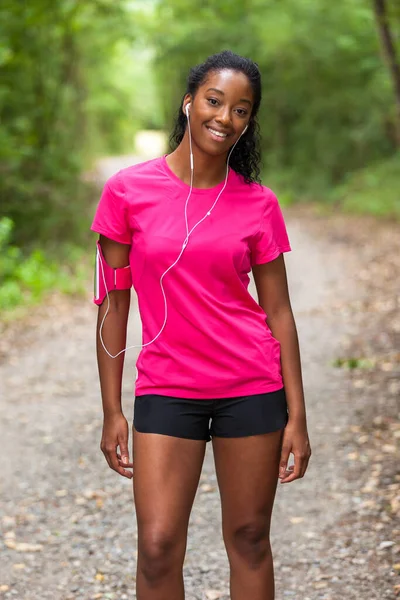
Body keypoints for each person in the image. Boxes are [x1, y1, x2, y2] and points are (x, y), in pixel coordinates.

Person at [90, 50, 311, 600]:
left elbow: (279, 311)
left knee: (250, 536)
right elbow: (113, 304)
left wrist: (298, 417)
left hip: (252, 388)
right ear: (189, 102)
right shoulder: (127, 192)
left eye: (242, 109)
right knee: (158, 545)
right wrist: (112, 409)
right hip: (167, 387)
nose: (225, 117)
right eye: (215, 100)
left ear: (249, 121)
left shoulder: (258, 203)